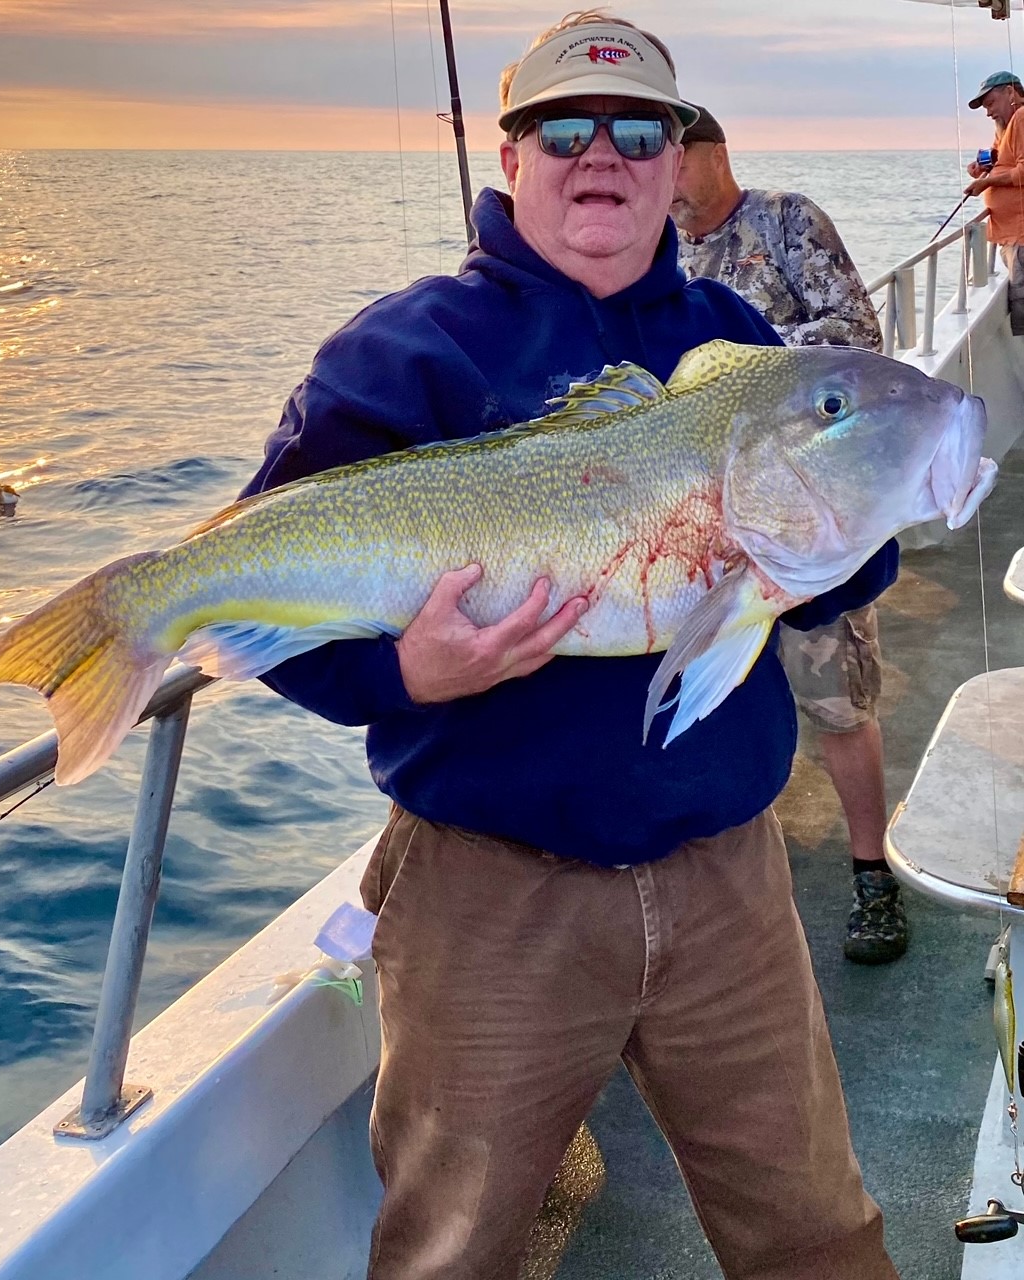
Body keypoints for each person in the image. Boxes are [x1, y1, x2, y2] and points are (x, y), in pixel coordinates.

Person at [242, 11, 899, 1279]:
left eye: (639, 129)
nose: (601, 152)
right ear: (511, 157)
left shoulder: (735, 345)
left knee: (817, 1231)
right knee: (452, 1251)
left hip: (728, 881)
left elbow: (828, 582)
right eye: (562, 128)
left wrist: (863, 504)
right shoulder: (404, 350)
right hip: (486, 901)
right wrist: (398, 674)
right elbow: (263, 580)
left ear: (674, 161)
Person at [671, 105, 908, 967]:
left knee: (839, 705)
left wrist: (743, 363)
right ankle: (742, 893)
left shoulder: (786, 220)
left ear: (715, 153)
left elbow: (858, 339)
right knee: (723, 705)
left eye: (676, 153)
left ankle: (874, 876)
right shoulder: (655, 253)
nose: (666, 176)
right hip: (713, 535)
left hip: (810, 520)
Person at [965, 70, 1024, 336]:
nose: (988, 112)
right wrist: (982, 168)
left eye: (991, 103)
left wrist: (987, 183)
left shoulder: (1021, 118)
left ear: (1010, 93)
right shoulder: (1005, 127)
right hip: (1011, 236)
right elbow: (1003, 161)